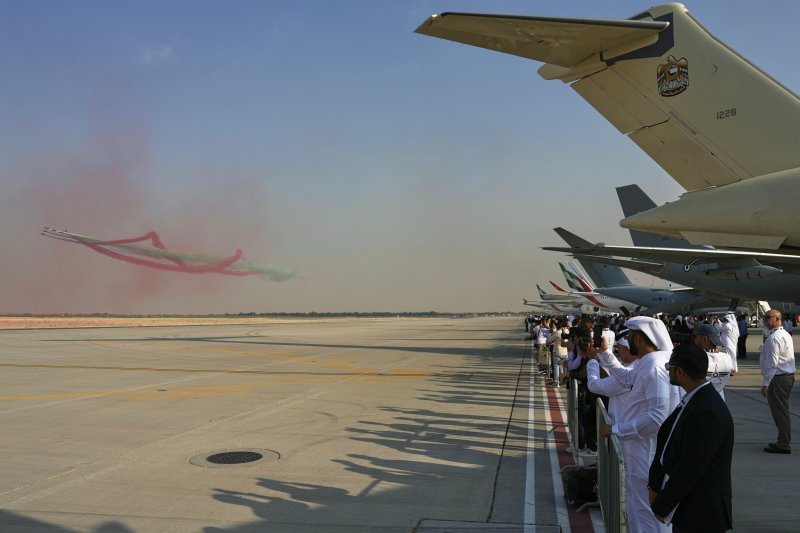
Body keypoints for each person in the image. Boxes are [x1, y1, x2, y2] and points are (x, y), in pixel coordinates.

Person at [597, 317, 680, 533]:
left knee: (647, 511)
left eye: (632, 337)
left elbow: (656, 416)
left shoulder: (654, 366)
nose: (629, 342)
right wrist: (605, 354)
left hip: (648, 452)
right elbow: (626, 378)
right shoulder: (650, 362)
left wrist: (615, 429)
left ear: (641, 339)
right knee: (638, 507)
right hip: (642, 449)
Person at [648, 343, 734, 533]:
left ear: (680, 372)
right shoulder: (696, 400)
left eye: (669, 368)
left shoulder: (706, 411)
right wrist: (655, 483)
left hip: (700, 515)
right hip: (690, 510)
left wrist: (663, 504)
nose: (668, 372)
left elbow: (691, 467)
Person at [760, 309, 796, 454]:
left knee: (780, 412)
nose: (765, 320)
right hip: (786, 377)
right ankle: (782, 440)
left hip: (778, 379)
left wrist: (766, 384)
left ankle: (783, 443)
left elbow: (772, 364)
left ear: (777, 319)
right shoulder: (784, 334)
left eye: (769, 318)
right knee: (782, 411)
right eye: (765, 318)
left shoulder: (774, 338)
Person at [692, 324, 733, 400]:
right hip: (719, 400)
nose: (694, 340)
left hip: (700, 401)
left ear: (704, 338)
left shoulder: (697, 358)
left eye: (696, 337)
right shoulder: (727, 358)